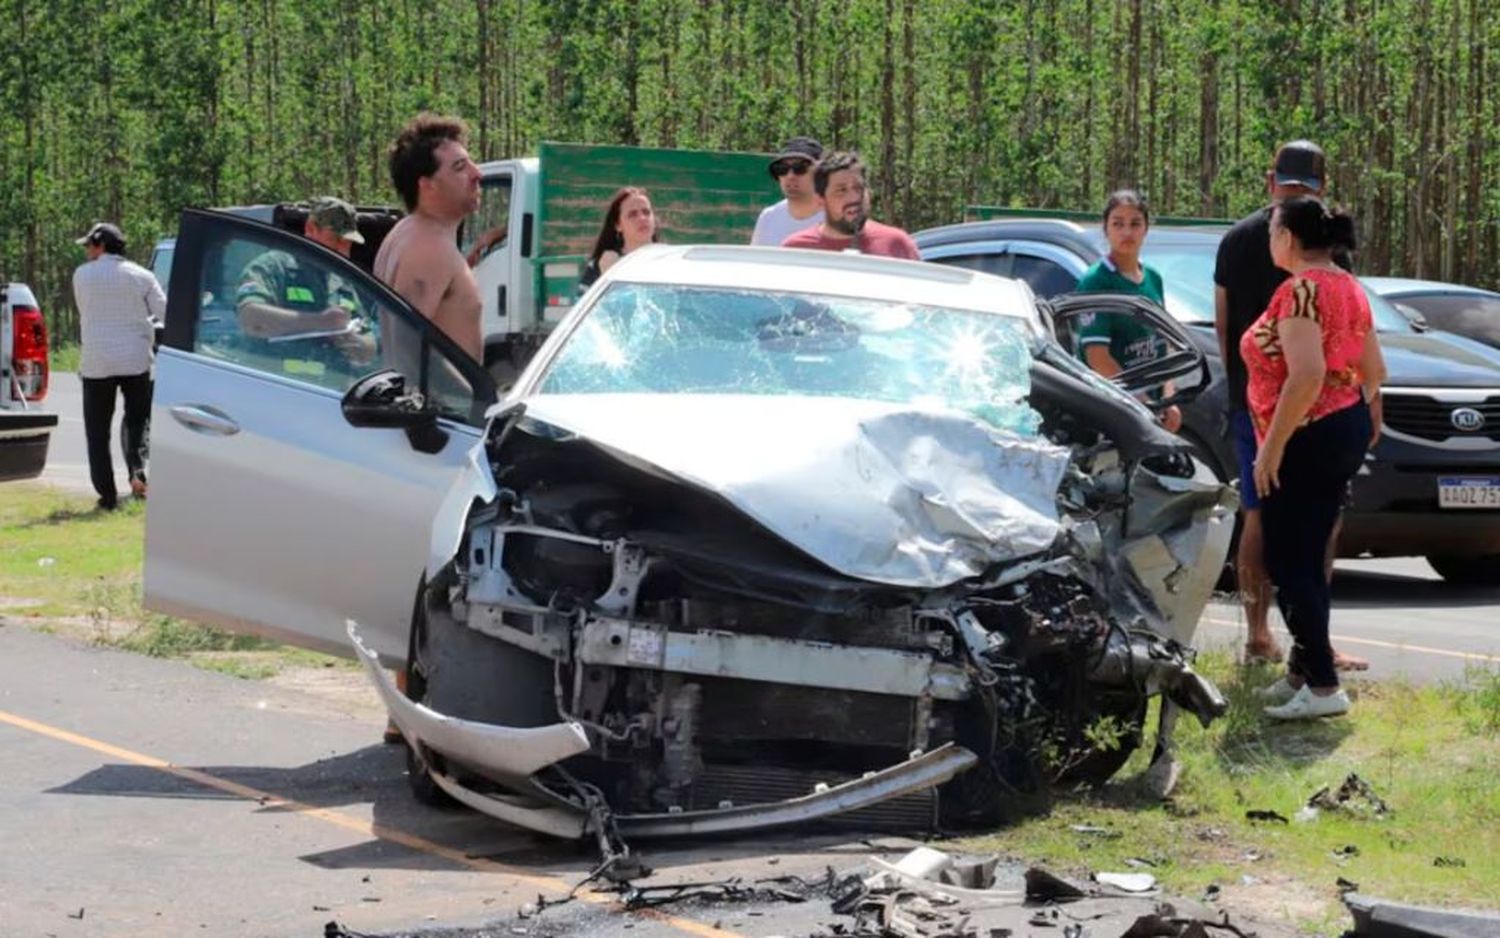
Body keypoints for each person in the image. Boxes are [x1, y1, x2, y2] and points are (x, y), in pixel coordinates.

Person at [1214, 140, 1369, 670]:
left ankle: (1307, 652)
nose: (1294, 195)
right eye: (1293, 185)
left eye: (1301, 188)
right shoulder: (1252, 243)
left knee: (1296, 531)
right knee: (1287, 527)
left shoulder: (1305, 269)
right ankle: (1282, 644)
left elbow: (1323, 358)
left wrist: (1267, 425)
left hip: (1298, 412)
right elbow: (1367, 358)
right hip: (1293, 409)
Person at [1245, 197, 1385, 720]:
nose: (1269, 240)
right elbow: (1375, 370)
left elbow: (1305, 375)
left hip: (1306, 433)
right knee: (1306, 551)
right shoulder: (1350, 287)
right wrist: (1350, 409)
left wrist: (1273, 445)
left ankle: (1324, 688)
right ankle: (1304, 673)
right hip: (1338, 427)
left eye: (1273, 230)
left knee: (1289, 557)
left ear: (1289, 238)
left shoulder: (1300, 289)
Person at [374, 113, 484, 362]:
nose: (477, 174)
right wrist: (465, 395)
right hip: (438, 400)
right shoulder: (428, 246)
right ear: (427, 185)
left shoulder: (406, 234)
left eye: (471, 163)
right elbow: (408, 347)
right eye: (460, 167)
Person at [72, 221, 165, 510]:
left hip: (96, 362)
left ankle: (107, 495)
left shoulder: (81, 275)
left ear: (100, 245)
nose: (87, 250)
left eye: (89, 245)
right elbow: (164, 311)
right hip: (135, 360)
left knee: (97, 432)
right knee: (137, 422)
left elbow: (85, 310)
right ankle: (137, 472)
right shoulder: (142, 275)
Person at [1074, 189, 1182, 433]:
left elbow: (1162, 344)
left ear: (1146, 229)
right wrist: (1142, 403)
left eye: (1135, 223)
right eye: (1118, 223)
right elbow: (1098, 357)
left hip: (1151, 411)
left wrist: (1168, 398)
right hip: (1113, 411)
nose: (1127, 232)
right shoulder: (1096, 282)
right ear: (1106, 229)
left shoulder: (1153, 278)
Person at [235, 196, 375, 365]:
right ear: (310, 228)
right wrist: (320, 322)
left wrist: (349, 338)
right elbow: (251, 319)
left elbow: (369, 345)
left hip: (331, 385)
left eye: (348, 243)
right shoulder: (274, 267)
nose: (342, 249)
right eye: (335, 239)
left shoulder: (343, 282)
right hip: (280, 384)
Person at [780, 152, 920, 259]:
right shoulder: (797, 250)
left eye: (858, 188)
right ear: (820, 200)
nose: (853, 198)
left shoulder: (897, 245)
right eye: (841, 190)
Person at [577, 187, 659, 293]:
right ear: (618, 225)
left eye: (646, 212)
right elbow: (584, 305)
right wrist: (608, 277)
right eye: (633, 214)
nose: (642, 218)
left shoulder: (671, 260)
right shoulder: (601, 265)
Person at [750, 136, 825, 246]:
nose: (790, 176)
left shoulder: (836, 219)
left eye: (800, 168)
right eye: (782, 169)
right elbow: (756, 260)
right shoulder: (768, 217)